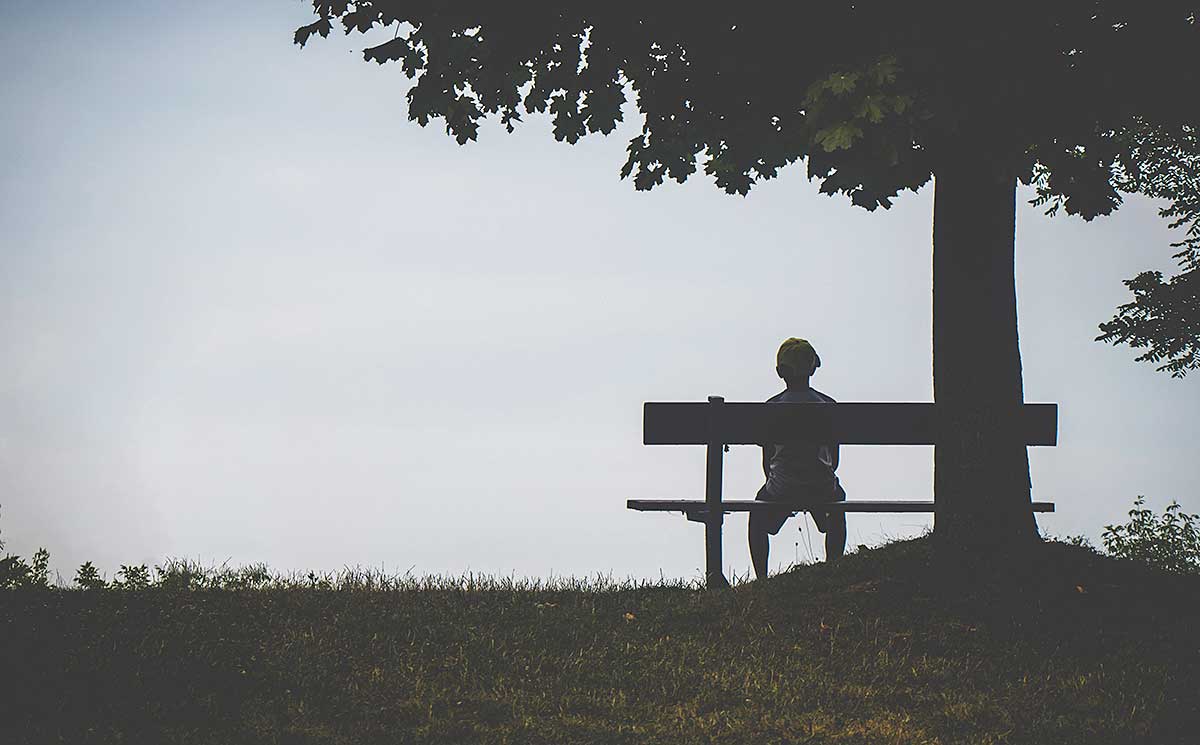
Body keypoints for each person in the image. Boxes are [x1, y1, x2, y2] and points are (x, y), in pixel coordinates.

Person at [749, 337, 848, 580]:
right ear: (813, 368)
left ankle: (762, 579)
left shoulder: (771, 408)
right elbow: (834, 461)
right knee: (838, 501)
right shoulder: (828, 406)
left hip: (782, 487)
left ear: (780, 372)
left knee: (757, 515)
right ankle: (833, 569)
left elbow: (767, 461)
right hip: (821, 487)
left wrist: (779, 482)